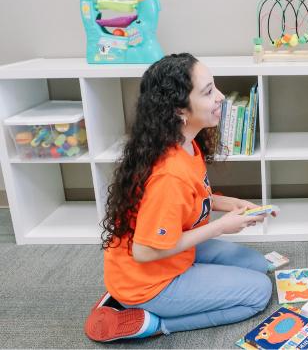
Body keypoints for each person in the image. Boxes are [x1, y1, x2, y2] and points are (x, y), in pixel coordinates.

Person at [84, 53, 273, 342]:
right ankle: (151, 321)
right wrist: (221, 226)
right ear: (179, 111)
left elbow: (193, 197)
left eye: (215, 87)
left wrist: (229, 204)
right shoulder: (168, 174)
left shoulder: (185, 144)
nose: (221, 97)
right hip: (151, 280)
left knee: (260, 265)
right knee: (259, 292)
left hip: (171, 256)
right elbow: (145, 252)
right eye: (209, 92)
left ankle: (129, 295)